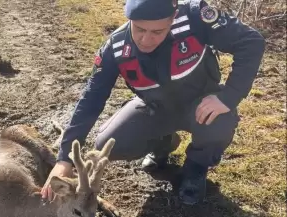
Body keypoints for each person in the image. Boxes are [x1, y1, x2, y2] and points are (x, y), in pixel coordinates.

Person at [42, 0, 265, 205]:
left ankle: (196, 167)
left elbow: (251, 42)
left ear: (173, 17)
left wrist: (228, 96)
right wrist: (64, 160)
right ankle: (164, 144)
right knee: (107, 143)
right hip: (156, 109)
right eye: (139, 29)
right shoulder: (116, 47)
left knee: (222, 120)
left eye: (158, 31)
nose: (146, 40)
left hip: (201, 105)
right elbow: (91, 99)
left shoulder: (195, 18)